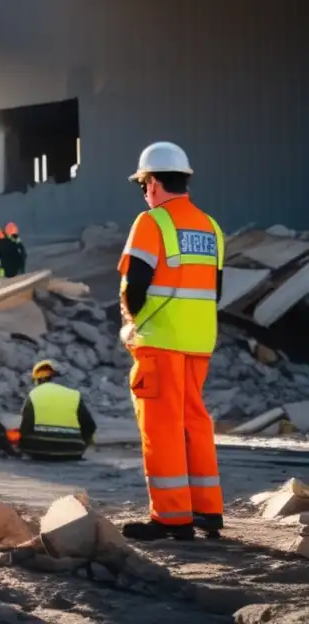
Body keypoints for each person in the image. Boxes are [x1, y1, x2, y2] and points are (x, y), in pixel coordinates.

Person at [118, 141, 225, 542]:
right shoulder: (211, 228)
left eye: (143, 184)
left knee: (161, 427)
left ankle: (171, 516)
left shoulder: (152, 222)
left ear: (154, 183)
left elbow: (135, 286)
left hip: (160, 342)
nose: (144, 193)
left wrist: (133, 322)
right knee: (194, 422)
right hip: (198, 343)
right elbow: (215, 291)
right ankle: (207, 511)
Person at [19, 361, 97, 462]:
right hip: (72, 452)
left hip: (39, 452)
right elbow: (90, 426)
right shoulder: (74, 395)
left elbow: (25, 426)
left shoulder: (34, 394)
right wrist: (81, 444)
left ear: (37, 380)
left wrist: (22, 446)